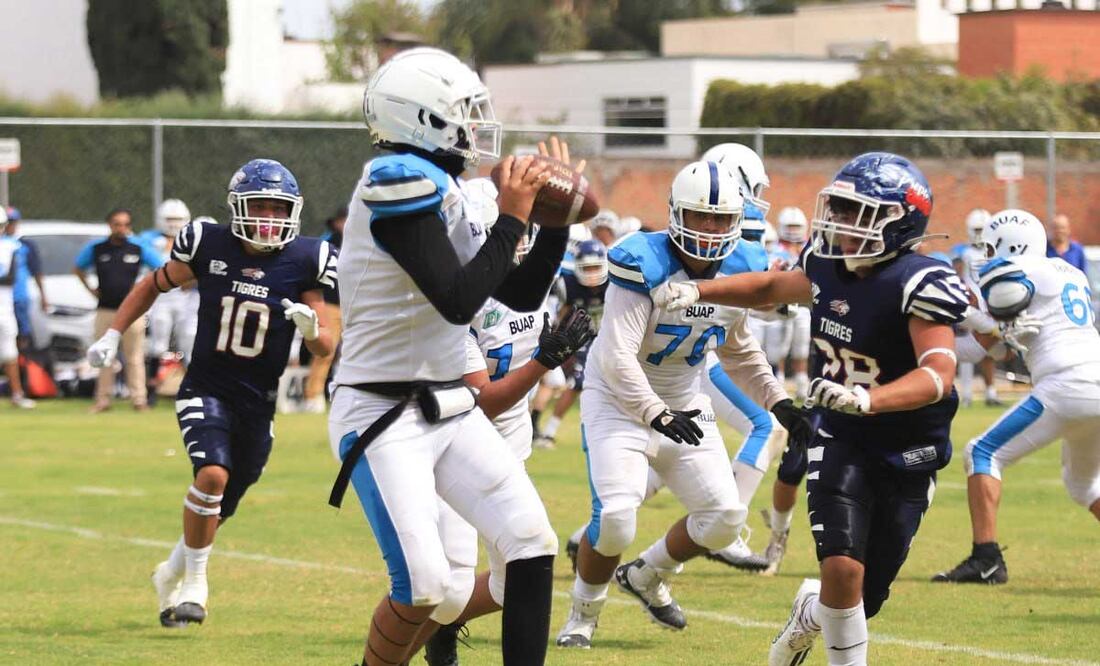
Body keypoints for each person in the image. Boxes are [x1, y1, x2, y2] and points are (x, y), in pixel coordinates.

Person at [656, 152, 970, 666]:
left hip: (909, 447)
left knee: (864, 598)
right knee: (842, 569)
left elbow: (938, 375)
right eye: (840, 209)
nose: (842, 223)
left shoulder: (918, 281)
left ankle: (807, 615)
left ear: (899, 219)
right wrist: (698, 290)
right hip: (842, 437)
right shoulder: (827, 264)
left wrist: (870, 399)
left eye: (856, 212)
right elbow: (770, 287)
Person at [328, 47, 561, 666]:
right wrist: (513, 216)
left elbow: (515, 289)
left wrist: (554, 224)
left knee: (531, 543)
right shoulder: (393, 178)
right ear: (418, 119)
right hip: (380, 410)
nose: (475, 129)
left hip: (447, 404)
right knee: (427, 586)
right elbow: (458, 301)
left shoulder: (444, 187)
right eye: (463, 115)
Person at [556, 160, 811, 649]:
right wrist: (655, 413)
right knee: (614, 521)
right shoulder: (641, 261)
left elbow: (737, 346)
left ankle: (647, 574)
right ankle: (582, 615)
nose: (712, 229)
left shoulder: (744, 263)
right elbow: (614, 357)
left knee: (724, 520)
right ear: (676, 213)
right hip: (619, 404)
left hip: (685, 402)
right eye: (700, 217)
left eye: (720, 219)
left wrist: (778, 401)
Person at [86, 158, 336, 628]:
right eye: (258, 207)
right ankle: (196, 585)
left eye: (276, 209)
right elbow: (153, 284)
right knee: (213, 477)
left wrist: (312, 329)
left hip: (258, 401)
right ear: (237, 206)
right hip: (206, 387)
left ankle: (169, 573)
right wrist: (113, 333)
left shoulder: (306, 258)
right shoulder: (207, 242)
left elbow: (326, 345)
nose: (267, 218)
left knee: (224, 501)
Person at [418, 164, 596, 666]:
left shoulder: (541, 283)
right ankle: (425, 631)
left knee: (516, 572)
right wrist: (545, 360)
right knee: (448, 587)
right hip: (453, 438)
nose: (517, 239)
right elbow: (482, 401)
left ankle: (443, 630)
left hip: (511, 435)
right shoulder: (456, 298)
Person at [933, 208, 1100, 585]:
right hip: (1093, 377)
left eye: (992, 246)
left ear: (1011, 243)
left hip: (1066, 383)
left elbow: (989, 333)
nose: (988, 255)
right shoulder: (1066, 271)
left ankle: (986, 559)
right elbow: (993, 350)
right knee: (1084, 485)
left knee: (981, 452)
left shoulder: (1015, 269)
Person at [75, 208, 163, 412]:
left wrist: (141, 288)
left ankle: (139, 399)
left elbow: (159, 267)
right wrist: (91, 290)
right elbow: (78, 267)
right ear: (110, 225)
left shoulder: (137, 248)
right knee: (103, 355)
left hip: (133, 311)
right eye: (117, 224)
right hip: (105, 309)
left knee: (134, 356)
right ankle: (103, 399)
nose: (121, 228)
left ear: (129, 226)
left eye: (125, 224)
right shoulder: (98, 249)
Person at [533, 238, 608, 448]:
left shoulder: (614, 282)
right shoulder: (569, 285)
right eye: (587, 268)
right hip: (581, 338)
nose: (592, 274)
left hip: (609, 337)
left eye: (596, 267)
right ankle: (546, 432)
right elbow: (560, 315)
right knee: (577, 382)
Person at [139, 199, 200, 367]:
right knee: (158, 343)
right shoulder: (149, 240)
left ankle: (189, 381)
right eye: (169, 220)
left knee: (189, 340)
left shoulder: (192, 238)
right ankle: (152, 386)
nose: (173, 224)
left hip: (185, 298)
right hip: (160, 298)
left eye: (177, 219)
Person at [955, 208, 1002, 407]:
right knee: (967, 349)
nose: (979, 233)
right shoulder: (963, 252)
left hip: (989, 305)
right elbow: (956, 275)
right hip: (970, 307)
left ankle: (991, 392)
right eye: (976, 229)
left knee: (990, 349)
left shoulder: (996, 252)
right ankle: (966, 394)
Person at [302, 206, 344, 413]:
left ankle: (343, 396)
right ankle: (313, 396)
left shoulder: (362, 240)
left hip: (353, 305)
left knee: (351, 355)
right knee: (325, 352)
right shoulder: (328, 243)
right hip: (330, 304)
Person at [0, 207, 35, 408]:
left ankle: (17, 394)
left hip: (4, 307)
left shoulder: (11, 247)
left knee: (10, 352)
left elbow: (10, 278)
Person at [4, 207, 48, 350]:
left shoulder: (24, 245)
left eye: (12, 222)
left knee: (21, 332)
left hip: (19, 296)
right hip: (3, 298)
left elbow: (37, 271)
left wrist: (43, 296)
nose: (9, 226)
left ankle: (22, 363)